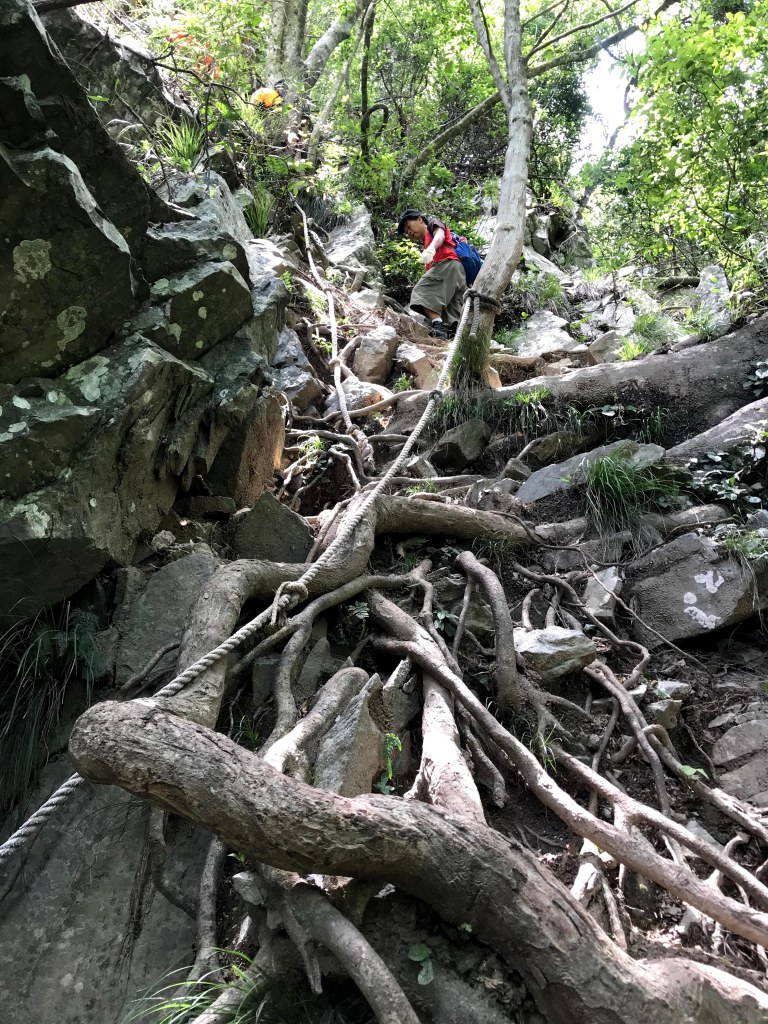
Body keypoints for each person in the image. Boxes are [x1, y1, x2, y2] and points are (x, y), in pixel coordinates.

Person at [397, 209, 466, 340]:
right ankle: (451, 338)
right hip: (457, 272)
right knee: (450, 310)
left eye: (409, 226)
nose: (409, 232)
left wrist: (432, 248)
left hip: (448, 263)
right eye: (407, 232)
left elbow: (440, 235)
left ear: (419, 219)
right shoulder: (426, 242)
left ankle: (438, 325)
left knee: (421, 291)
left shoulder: (433, 225)